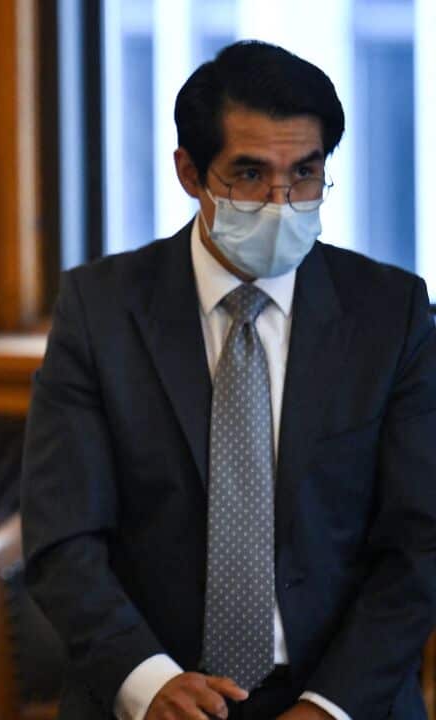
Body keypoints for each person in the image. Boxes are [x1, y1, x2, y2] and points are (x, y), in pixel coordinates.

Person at [22, 40, 436, 720]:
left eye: (305, 174)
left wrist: (327, 706)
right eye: (249, 175)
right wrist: (147, 680)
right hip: (151, 690)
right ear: (190, 172)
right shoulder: (101, 310)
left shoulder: (390, 315)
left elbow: (420, 544)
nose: (281, 202)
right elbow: (62, 537)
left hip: (340, 695)